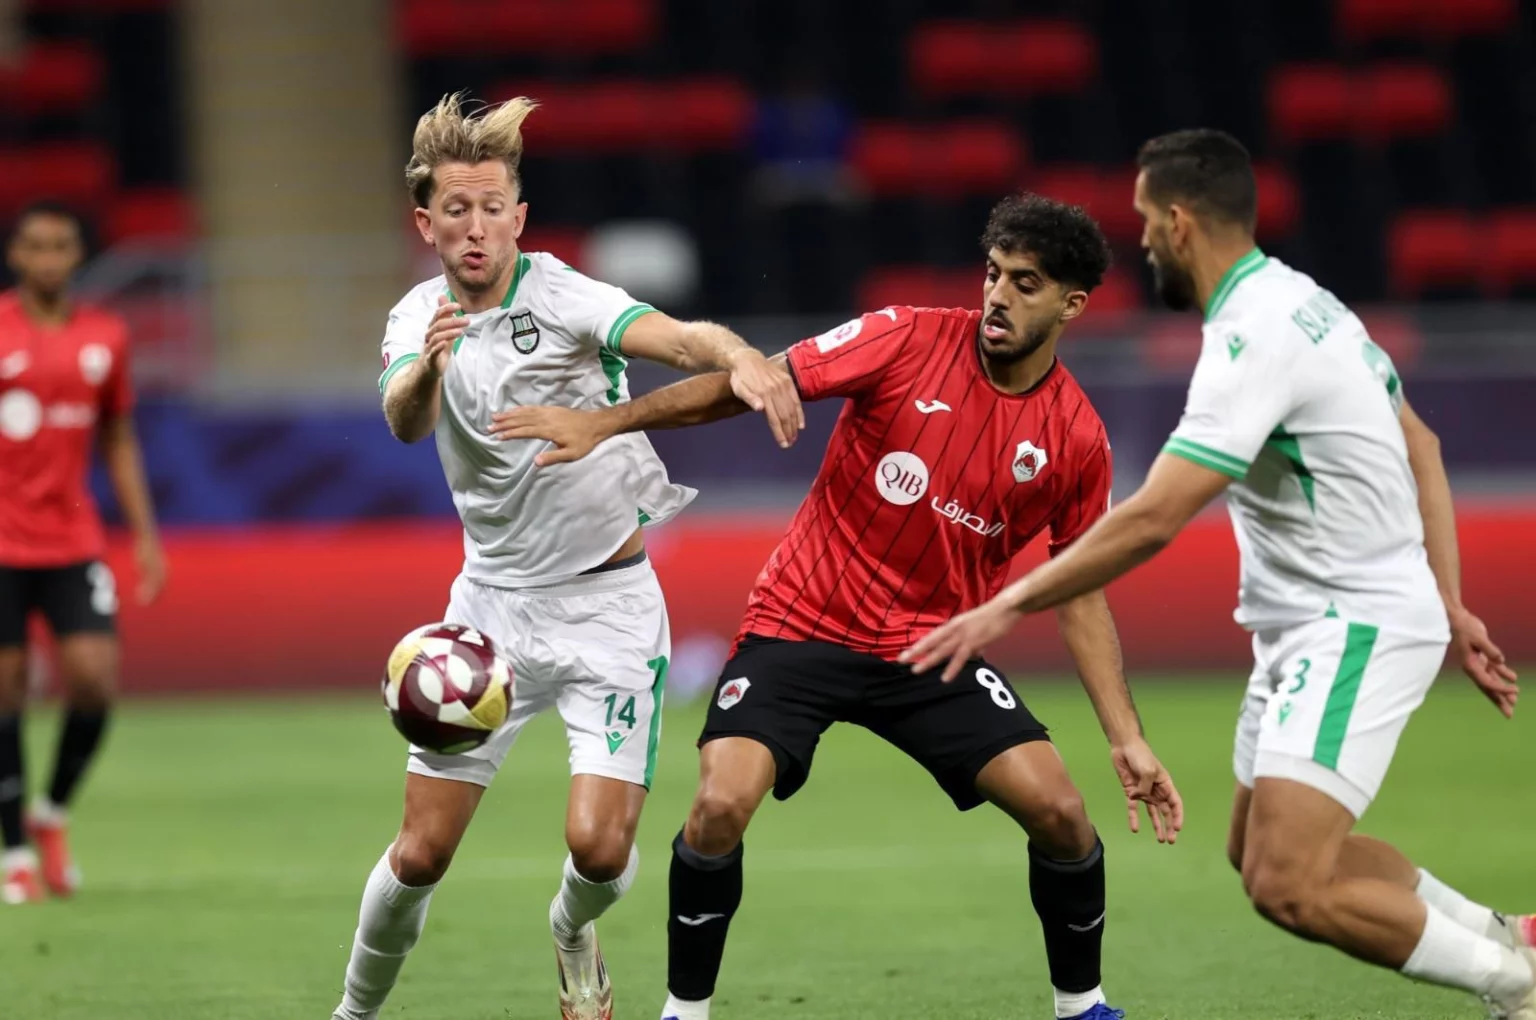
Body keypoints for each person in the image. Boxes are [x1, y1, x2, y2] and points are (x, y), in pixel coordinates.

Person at [492, 193, 1185, 1020]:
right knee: (718, 806)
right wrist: (608, 422)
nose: (998, 296)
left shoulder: (1075, 438)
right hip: (802, 624)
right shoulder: (905, 336)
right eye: (993, 274)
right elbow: (749, 385)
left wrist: (1127, 738)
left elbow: (1079, 589)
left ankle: (1083, 1006)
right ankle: (684, 1012)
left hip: (931, 650)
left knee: (1063, 816)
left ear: (1072, 305)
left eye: (1025, 284)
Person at [905, 130, 1535, 1017]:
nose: (1142, 243)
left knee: (1288, 883)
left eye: (1144, 223)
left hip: (1351, 625)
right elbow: (1421, 444)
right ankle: (1508, 934)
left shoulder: (1252, 339)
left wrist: (1005, 605)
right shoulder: (1310, 303)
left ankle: (1516, 987)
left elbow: (1155, 517)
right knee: (1257, 850)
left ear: (1178, 222)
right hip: (1305, 629)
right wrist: (1453, 603)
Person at [330, 94, 800, 1020]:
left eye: (491, 207)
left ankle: (572, 928)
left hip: (607, 606)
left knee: (598, 848)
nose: (475, 228)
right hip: (488, 613)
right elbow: (403, 419)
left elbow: (681, 340)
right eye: (455, 210)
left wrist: (741, 355)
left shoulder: (564, 297)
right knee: (420, 853)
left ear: (519, 216)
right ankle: (352, 1014)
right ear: (426, 223)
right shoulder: (417, 317)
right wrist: (427, 369)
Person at [0, 201, 167, 904]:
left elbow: (117, 437)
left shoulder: (105, 335)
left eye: (60, 246)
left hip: (72, 538)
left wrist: (146, 534)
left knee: (94, 680)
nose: (48, 258)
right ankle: (13, 851)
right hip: (3, 543)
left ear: (77, 256)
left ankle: (51, 812)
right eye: (35, 246)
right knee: (6, 690)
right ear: (16, 255)